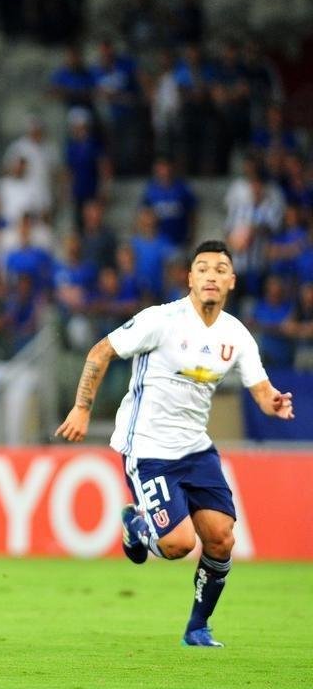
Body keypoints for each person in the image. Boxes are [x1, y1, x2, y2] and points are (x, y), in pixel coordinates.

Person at [56, 240, 294, 647]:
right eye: (203, 268)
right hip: (149, 450)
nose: (211, 276)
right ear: (190, 278)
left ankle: (197, 627)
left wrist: (272, 401)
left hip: (196, 449)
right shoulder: (160, 320)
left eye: (220, 269)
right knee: (178, 543)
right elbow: (101, 352)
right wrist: (81, 408)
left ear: (232, 281)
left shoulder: (236, 334)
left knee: (221, 537)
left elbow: (260, 387)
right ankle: (137, 525)